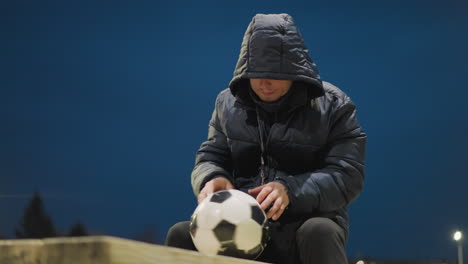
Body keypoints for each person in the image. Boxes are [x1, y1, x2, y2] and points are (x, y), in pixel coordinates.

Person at [165, 13, 366, 264]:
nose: (264, 82)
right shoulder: (227, 103)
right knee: (180, 234)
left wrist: (290, 190)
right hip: (238, 224)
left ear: (295, 70)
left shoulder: (335, 106)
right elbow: (210, 156)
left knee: (320, 231)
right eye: (256, 73)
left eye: (275, 72)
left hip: (304, 224)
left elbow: (348, 175)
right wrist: (211, 177)